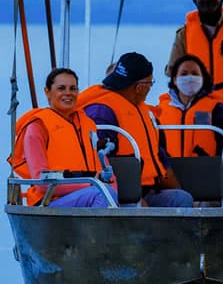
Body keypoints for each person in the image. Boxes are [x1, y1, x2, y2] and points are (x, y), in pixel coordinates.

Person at [82, 52, 194, 207]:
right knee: (138, 207)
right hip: (117, 194)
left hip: (147, 190)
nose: (150, 88)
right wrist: (128, 196)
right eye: (150, 83)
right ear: (140, 87)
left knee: (182, 199)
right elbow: (98, 162)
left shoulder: (141, 110)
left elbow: (158, 153)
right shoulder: (102, 112)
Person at [8, 68, 117, 207]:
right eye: (61, 88)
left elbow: (107, 169)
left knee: (113, 197)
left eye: (73, 88)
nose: (68, 93)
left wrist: (112, 196)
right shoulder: (37, 127)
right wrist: (90, 184)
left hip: (89, 195)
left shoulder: (88, 125)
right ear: (47, 92)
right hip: (50, 202)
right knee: (102, 194)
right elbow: (41, 182)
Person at [155, 54, 223, 157]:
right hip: (170, 170)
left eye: (195, 73)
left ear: (203, 79)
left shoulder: (216, 108)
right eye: (184, 74)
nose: (190, 78)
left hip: (207, 169)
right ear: (174, 80)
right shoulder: (161, 110)